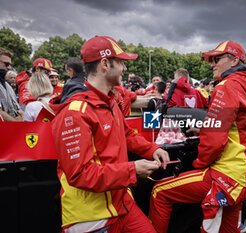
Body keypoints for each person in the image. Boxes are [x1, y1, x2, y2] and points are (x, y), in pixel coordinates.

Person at [50, 36, 169, 233]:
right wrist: (132, 170)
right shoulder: (74, 112)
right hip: (91, 218)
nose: (125, 69)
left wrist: (152, 148)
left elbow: (127, 134)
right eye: (121, 62)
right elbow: (80, 175)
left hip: (121, 203)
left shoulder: (111, 101)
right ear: (105, 64)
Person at [149, 40, 246, 233]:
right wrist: (206, 130)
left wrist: (200, 163)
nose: (212, 64)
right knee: (228, 228)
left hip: (226, 175)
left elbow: (214, 142)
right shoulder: (244, 85)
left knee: (159, 192)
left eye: (217, 59)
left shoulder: (226, 86)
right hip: (244, 175)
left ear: (234, 61)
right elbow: (237, 128)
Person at [0, 47, 22, 121]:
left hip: (9, 130)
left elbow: (17, 109)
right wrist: (16, 124)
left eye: (10, 65)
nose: (9, 67)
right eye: (6, 64)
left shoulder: (7, 85)